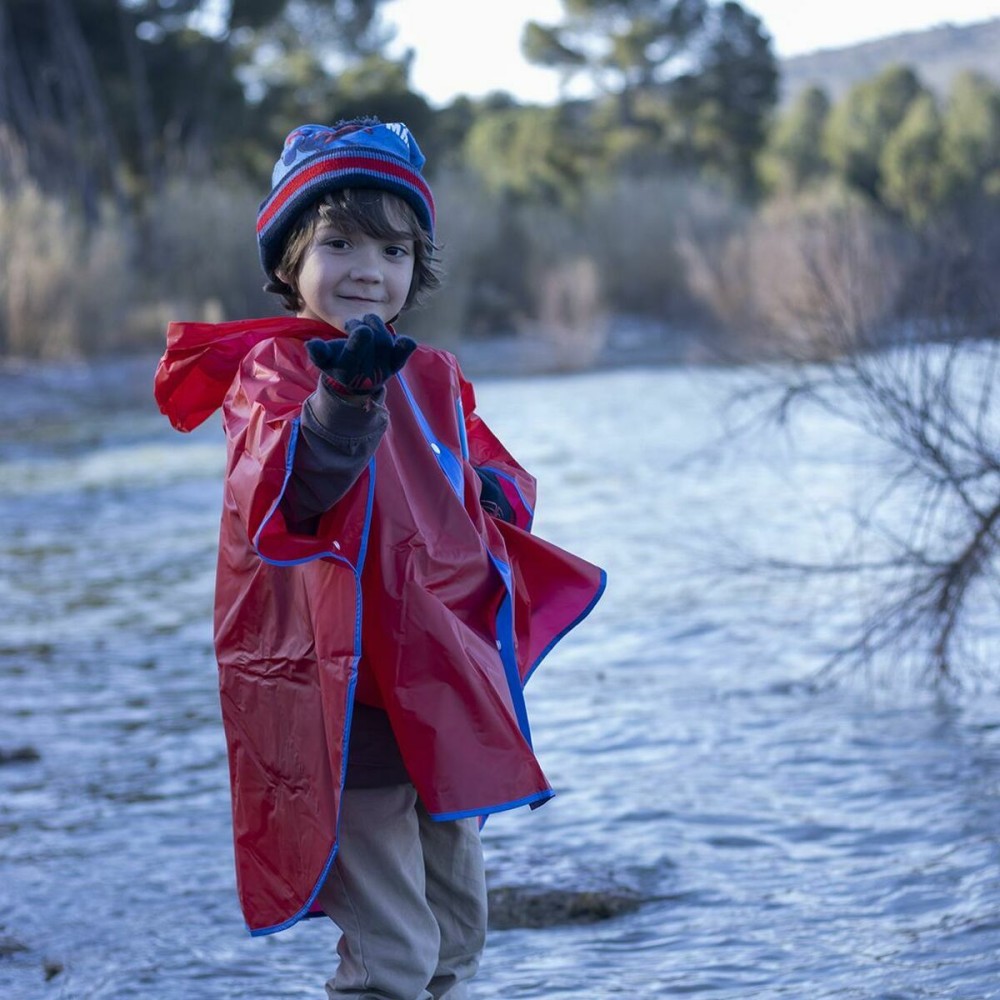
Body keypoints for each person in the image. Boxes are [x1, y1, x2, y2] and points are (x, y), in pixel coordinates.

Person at [154, 116, 606, 999]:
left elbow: (494, 475)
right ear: (290, 258)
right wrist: (344, 398)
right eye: (341, 241)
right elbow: (288, 491)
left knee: (457, 932)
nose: (370, 267)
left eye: (395, 252)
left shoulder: (431, 374)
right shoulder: (278, 376)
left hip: (436, 690)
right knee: (391, 952)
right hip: (343, 703)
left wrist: (490, 496)